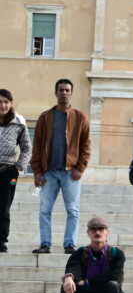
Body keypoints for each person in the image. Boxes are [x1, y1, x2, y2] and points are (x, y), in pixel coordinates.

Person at [31, 79, 90, 254]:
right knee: (44, 210)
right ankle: (45, 244)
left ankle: (69, 244)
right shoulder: (45, 117)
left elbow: (86, 145)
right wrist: (36, 171)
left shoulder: (80, 117)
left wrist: (80, 167)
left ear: (71, 93)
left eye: (67, 90)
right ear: (55, 92)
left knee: (72, 210)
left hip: (70, 172)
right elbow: (37, 145)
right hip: (48, 172)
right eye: (61, 90)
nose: (64, 93)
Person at [0, 89, 32, 253]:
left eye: (6, 102)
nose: (3, 105)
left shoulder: (18, 122)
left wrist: (19, 167)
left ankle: (1, 241)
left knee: (4, 207)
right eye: (0, 102)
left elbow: (27, 148)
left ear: (10, 103)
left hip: (7, 170)